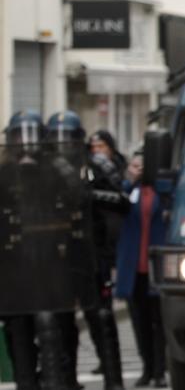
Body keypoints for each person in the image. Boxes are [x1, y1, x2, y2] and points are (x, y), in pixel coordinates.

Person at [47, 111, 129, 390]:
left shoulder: (94, 166)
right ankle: (66, 381)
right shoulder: (43, 171)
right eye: (57, 140)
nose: (63, 146)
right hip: (57, 256)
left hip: (92, 253)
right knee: (60, 322)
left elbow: (123, 201)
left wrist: (89, 195)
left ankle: (113, 379)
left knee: (101, 317)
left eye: (68, 139)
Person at [1, 111, 77, 390]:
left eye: (31, 136)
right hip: (14, 262)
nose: (25, 143)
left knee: (52, 324)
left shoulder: (54, 167)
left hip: (49, 260)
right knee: (17, 327)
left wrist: (57, 167)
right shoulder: (4, 171)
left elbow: (76, 197)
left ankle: (58, 381)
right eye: (20, 136)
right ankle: (26, 382)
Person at [115, 154, 169, 388]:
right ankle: (147, 368)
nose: (140, 170)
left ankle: (160, 370)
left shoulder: (163, 192)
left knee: (159, 320)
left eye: (144, 166)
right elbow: (116, 207)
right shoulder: (127, 191)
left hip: (157, 265)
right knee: (140, 322)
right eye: (135, 165)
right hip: (134, 267)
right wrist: (128, 182)